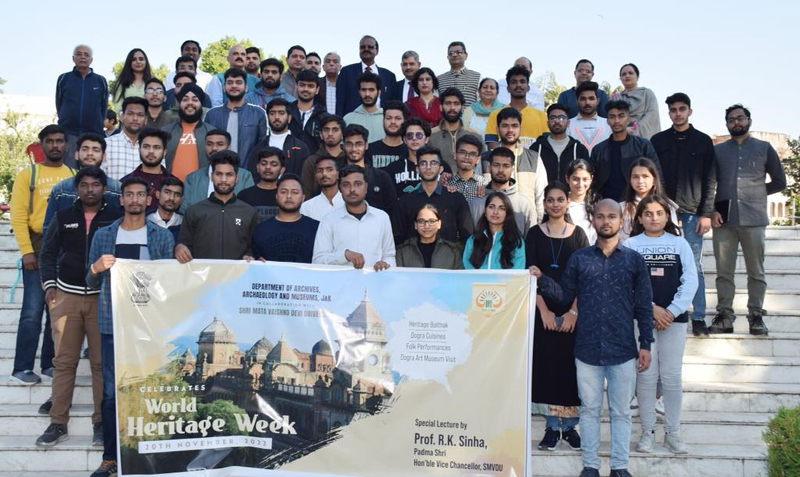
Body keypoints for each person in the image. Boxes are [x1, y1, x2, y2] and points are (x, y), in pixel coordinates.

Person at [531, 199, 654, 477]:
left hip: (623, 349)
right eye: (600, 216)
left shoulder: (634, 260)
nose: (606, 221)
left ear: (621, 220)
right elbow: (563, 295)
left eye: (612, 216)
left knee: (621, 412)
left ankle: (620, 467)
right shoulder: (580, 258)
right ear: (593, 220)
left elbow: (644, 305)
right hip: (586, 349)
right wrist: (542, 280)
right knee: (589, 410)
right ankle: (590, 465)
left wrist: (645, 343)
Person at [86, 176, 175, 477]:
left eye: (140, 194)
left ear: (149, 200)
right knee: (112, 393)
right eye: (129, 195)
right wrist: (96, 268)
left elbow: (169, 285)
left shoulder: (162, 237)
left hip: (150, 327)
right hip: (113, 325)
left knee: (151, 388)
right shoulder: (103, 235)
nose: (135, 199)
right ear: (121, 200)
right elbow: (90, 279)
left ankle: (152, 453)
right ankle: (111, 457)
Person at [36, 167, 121, 448]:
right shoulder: (63, 217)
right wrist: (50, 286)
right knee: (64, 362)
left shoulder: (115, 219)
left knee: (100, 364)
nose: (89, 190)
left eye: (95, 185)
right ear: (77, 188)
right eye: (83, 185)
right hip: (67, 297)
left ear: (103, 188)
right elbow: (47, 253)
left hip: (102, 298)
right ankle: (58, 422)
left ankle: (100, 423)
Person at [623, 195, 698, 456]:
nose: (654, 217)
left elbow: (690, 280)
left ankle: (673, 433)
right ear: (639, 217)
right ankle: (647, 433)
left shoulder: (680, 244)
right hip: (642, 319)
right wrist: (652, 309)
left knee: (671, 377)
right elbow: (627, 284)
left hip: (674, 321)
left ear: (667, 216)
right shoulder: (630, 244)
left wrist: (671, 311)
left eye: (659, 213)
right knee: (645, 376)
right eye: (648, 213)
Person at [710, 104, 786, 336]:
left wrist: (757, 192)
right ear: (726, 124)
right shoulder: (718, 150)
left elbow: (780, 181)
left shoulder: (764, 148)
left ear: (749, 120)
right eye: (731, 120)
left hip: (754, 219)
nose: (736, 122)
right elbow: (709, 183)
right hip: (725, 220)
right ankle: (725, 315)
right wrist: (712, 209)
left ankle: (756, 316)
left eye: (740, 118)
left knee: (756, 271)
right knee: (724, 272)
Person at [9, 125, 76, 385]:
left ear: (67, 145)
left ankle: (49, 363)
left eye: (60, 141)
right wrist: (26, 251)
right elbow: (18, 215)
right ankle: (22, 367)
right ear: (42, 144)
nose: (56, 146)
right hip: (37, 250)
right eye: (50, 141)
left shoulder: (73, 174)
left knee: (56, 311)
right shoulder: (29, 175)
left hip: (64, 250)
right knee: (31, 311)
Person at [526, 181, 589, 452]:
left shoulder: (579, 235)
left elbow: (585, 278)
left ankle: (571, 427)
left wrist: (573, 312)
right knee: (547, 369)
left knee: (570, 371)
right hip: (543, 313)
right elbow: (529, 275)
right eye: (550, 199)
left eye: (560, 199)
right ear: (545, 203)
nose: (555, 204)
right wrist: (544, 311)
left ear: (567, 202)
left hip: (573, 314)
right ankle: (552, 427)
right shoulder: (533, 234)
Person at [650, 92, 716, 336]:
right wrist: (666, 209)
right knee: (662, 265)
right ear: (669, 113)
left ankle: (698, 316)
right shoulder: (658, 140)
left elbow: (710, 179)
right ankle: (667, 311)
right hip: (663, 212)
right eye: (673, 110)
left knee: (694, 267)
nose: (678, 113)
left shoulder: (703, 141)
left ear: (690, 111)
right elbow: (655, 177)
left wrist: (706, 213)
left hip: (692, 214)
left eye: (682, 109)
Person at [175, 151, 258, 262]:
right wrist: (179, 248)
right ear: (211, 176)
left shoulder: (249, 212)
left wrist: (250, 255)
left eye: (229, 174)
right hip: (202, 277)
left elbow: (254, 247)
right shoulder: (194, 211)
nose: (223, 179)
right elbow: (183, 243)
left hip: (238, 277)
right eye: (219, 174)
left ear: (237, 177)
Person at [312, 165, 395, 269]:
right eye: (346, 185)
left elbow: (390, 256)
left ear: (366, 186)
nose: (352, 189)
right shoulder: (329, 220)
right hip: (340, 284)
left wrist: (385, 264)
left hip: (374, 283)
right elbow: (317, 261)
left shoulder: (382, 217)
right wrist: (344, 255)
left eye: (358, 184)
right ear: (340, 188)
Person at [43, 133, 122, 237]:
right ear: (76, 154)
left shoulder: (117, 189)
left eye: (95, 150)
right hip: (68, 251)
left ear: (104, 156)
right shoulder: (61, 189)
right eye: (85, 149)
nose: (90, 153)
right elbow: (48, 229)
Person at [393, 145, 473, 244]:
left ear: (440, 169)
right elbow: (397, 238)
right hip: (413, 258)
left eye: (433, 163)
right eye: (423, 163)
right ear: (417, 169)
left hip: (448, 257)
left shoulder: (456, 198)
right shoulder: (405, 202)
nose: (428, 167)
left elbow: (467, 235)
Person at [481, 107, 547, 221]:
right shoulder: (486, 159)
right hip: (492, 225)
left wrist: (538, 227)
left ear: (521, 129)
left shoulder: (533, 158)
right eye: (505, 125)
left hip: (525, 223)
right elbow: (479, 193)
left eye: (514, 126)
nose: (510, 130)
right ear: (497, 129)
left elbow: (541, 197)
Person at [589, 99, 659, 201]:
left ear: (628, 119)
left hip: (637, 203)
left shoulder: (643, 145)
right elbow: (593, 181)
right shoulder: (598, 150)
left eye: (621, 116)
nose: (616, 121)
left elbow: (657, 174)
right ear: (607, 120)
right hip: (606, 204)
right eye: (612, 117)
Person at [252, 173, 319, 263]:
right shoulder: (261, 229)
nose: (289, 196)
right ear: (276, 196)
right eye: (283, 192)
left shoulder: (317, 228)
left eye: (294, 192)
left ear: (303, 197)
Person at [469, 147, 536, 237]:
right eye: (496, 165)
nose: (501, 170)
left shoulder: (523, 204)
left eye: (506, 166)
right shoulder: (476, 203)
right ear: (489, 167)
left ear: (512, 169)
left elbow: (531, 239)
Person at [205, 67, 268, 163]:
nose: (234, 86)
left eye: (238, 82)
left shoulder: (258, 113)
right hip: (218, 172)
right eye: (230, 83)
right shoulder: (212, 114)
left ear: (246, 87)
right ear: (224, 87)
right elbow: (207, 146)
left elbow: (263, 146)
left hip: (248, 173)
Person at [57, 45, 108, 159]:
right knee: (69, 172)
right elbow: (59, 104)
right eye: (79, 54)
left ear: (91, 60)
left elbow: (103, 107)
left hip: (93, 134)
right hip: (68, 134)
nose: (82, 57)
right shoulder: (64, 79)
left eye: (86, 55)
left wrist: (98, 124)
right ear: (73, 58)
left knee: (90, 172)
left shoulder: (100, 81)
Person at [181, 129, 254, 209]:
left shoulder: (245, 176)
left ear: (228, 147)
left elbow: (248, 208)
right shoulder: (192, 178)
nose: (214, 148)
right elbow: (185, 210)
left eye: (220, 144)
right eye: (209, 144)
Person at [485, 66, 548, 148]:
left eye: (522, 81)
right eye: (514, 82)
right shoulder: (495, 114)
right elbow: (492, 145)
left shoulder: (541, 116)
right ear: (508, 88)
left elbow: (547, 145)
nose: (518, 85)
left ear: (528, 88)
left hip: (533, 160)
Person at [161, 84, 214, 181]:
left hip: (200, 191)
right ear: (179, 103)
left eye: (195, 99)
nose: (190, 103)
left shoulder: (212, 133)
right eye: (185, 100)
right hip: (170, 191)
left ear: (201, 104)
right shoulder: (165, 132)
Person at [340, 124, 396, 214]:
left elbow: (392, 211)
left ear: (366, 145)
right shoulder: (336, 176)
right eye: (349, 144)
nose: (354, 149)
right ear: (343, 146)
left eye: (359, 144)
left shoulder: (381, 177)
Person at [247, 98, 310, 177]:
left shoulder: (300, 148)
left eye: (281, 113)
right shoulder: (259, 148)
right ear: (268, 117)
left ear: (289, 118)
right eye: (272, 113)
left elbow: (305, 177)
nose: (276, 117)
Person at [336, 35, 397, 116]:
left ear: (377, 51)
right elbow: (340, 102)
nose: (366, 49)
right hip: (353, 123)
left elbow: (393, 105)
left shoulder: (389, 76)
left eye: (370, 47)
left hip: (380, 123)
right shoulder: (346, 72)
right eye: (362, 47)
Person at [619, 157, 678, 240]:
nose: (640, 181)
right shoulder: (621, 207)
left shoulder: (667, 206)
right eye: (635, 177)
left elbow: (674, 236)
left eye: (645, 176)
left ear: (654, 180)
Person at [463, 192, 525, 269]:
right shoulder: (472, 240)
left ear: (507, 213)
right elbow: (468, 269)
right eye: (491, 207)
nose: (495, 212)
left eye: (501, 208)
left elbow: (517, 272)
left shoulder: (516, 242)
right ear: (485, 211)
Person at [531, 103, 590, 183]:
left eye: (561, 117)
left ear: (568, 122)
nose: (557, 121)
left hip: (571, 195)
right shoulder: (536, 148)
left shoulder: (579, 149)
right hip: (544, 195)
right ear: (547, 123)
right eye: (552, 118)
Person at [429, 88, 484, 172]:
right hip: (439, 184)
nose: (452, 108)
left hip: (469, 183)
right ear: (441, 107)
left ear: (462, 107)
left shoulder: (475, 136)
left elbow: (482, 166)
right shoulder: (431, 136)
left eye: (456, 104)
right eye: (448, 103)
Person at [121, 127, 173, 214]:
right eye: (146, 147)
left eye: (156, 147)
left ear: (164, 152)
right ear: (139, 150)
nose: (151, 152)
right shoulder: (125, 182)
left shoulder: (174, 184)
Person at [396, 204, 464, 269]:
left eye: (431, 221)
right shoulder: (402, 252)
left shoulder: (452, 252)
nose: (427, 226)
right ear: (415, 225)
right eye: (421, 221)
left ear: (439, 224)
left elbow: (459, 279)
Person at [611, 63, 661, 139]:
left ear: (637, 76)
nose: (627, 76)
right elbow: (612, 117)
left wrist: (636, 128)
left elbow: (652, 113)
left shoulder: (646, 93)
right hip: (621, 137)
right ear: (620, 79)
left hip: (643, 137)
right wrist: (623, 130)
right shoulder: (616, 97)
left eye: (630, 73)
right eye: (624, 74)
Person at [103, 97, 147, 181]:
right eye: (130, 113)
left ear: (146, 120)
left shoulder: (152, 148)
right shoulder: (106, 145)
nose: (135, 118)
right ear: (121, 117)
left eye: (140, 115)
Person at [301, 115, 346, 197]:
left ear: (342, 134)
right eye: (326, 130)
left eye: (335, 130)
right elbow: (306, 193)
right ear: (321, 134)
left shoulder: (349, 159)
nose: (330, 134)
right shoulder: (311, 161)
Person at [238, 147, 285, 222]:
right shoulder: (244, 196)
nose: (268, 167)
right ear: (257, 167)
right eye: (264, 163)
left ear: (282, 169)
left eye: (274, 164)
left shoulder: (286, 195)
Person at [566, 81, 613, 154]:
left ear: (597, 101)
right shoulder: (568, 125)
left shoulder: (608, 124)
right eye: (583, 99)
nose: (587, 102)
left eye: (591, 98)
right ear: (576, 101)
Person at [289, 69, 327, 150]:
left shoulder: (324, 117)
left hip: (314, 161)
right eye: (302, 85)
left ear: (317, 90)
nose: (306, 89)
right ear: (296, 87)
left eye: (310, 86)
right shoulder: (286, 112)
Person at [364, 101, 408, 168]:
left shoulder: (409, 151)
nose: (393, 122)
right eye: (388, 118)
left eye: (397, 118)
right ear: (383, 121)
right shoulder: (369, 150)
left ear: (404, 122)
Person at [343, 72, 385, 142]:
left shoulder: (387, 119)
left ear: (379, 92)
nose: (367, 94)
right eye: (364, 90)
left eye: (371, 90)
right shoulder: (348, 119)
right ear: (359, 92)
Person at [300, 156, 345, 221]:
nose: (324, 174)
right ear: (315, 175)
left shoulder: (348, 203)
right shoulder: (306, 207)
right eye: (320, 170)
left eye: (329, 170)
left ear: (338, 174)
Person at [445, 134, 489, 201]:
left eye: (472, 154)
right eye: (462, 152)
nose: (467, 157)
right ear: (455, 155)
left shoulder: (485, 184)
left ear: (478, 159)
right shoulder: (446, 185)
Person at [437, 41, 481, 106]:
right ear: (447, 57)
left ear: (466, 56)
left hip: (470, 116)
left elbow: (481, 102)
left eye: (458, 52)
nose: (454, 55)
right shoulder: (439, 79)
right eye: (451, 53)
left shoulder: (477, 77)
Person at [566, 159, 598, 245]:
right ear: (567, 178)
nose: (580, 184)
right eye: (576, 179)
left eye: (585, 179)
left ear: (591, 179)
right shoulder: (561, 205)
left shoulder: (598, 205)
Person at [111, 48, 152, 113]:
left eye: (141, 59)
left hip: (150, 121)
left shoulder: (152, 83)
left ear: (146, 62)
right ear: (129, 62)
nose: (138, 62)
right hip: (127, 121)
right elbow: (118, 108)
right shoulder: (122, 83)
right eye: (134, 59)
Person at [147, 176, 184, 242]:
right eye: (167, 192)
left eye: (177, 195)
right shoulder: (145, 221)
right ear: (158, 194)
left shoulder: (184, 223)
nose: (171, 198)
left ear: (181, 199)